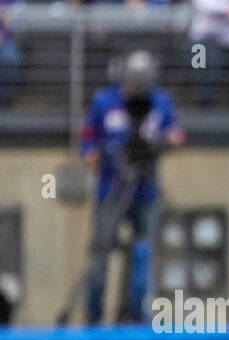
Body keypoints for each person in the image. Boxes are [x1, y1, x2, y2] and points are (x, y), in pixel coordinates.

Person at [79, 50, 184, 324]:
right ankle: (94, 321)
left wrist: (166, 141)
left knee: (143, 259)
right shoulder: (104, 101)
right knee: (100, 260)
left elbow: (176, 132)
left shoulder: (161, 102)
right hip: (111, 190)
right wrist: (92, 155)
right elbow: (88, 139)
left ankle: (137, 321)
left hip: (145, 191)